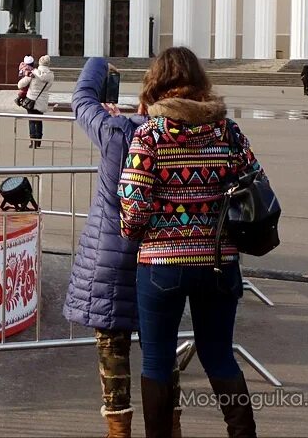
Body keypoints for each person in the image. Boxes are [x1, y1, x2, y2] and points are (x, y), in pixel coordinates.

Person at [119, 47, 263, 438]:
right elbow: (257, 184)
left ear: (157, 81)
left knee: (157, 361)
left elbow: (134, 206)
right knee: (219, 356)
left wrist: (136, 233)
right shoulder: (227, 130)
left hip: (161, 265)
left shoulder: (150, 134)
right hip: (219, 261)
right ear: (200, 80)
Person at [65, 58, 183, 438]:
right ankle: (169, 426)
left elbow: (81, 98)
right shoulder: (180, 135)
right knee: (160, 351)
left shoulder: (114, 131)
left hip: (109, 260)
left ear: (144, 101)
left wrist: (98, 65)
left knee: (112, 352)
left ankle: (118, 430)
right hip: (160, 258)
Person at [19, 54, 54, 148]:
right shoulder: (51, 75)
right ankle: (39, 141)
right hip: (42, 100)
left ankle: (33, 142)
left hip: (31, 100)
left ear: (39, 63)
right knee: (39, 120)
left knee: (32, 121)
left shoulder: (33, 73)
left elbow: (21, 84)